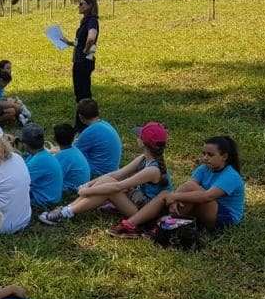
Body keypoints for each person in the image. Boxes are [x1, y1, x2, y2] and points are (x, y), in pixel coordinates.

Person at [109, 136, 244, 238]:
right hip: (202, 206)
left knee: (180, 191)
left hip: (223, 216)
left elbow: (207, 196)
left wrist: (174, 196)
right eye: (203, 154)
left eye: (210, 155)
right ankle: (130, 224)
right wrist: (173, 199)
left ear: (224, 156)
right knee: (165, 194)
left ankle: (163, 223)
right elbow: (189, 187)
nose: (205, 158)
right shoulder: (204, 168)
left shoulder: (230, 175)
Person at [39, 121, 172, 225]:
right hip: (137, 200)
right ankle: (66, 210)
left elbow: (118, 186)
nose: (137, 137)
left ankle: (66, 213)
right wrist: (88, 184)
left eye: (139, 136)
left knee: (110, 189)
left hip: (143, 212)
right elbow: (116, 174)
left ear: (143, 143)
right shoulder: (143, 159)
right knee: (107, 181)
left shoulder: (153, 170)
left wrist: (87, 191)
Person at [18, 123, 64, 211]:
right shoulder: (40, 154)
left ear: (25, 144)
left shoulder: (38, 161)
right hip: (49, 195)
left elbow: (20, 182)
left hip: (45, 200)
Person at [73, 98, 122, 178]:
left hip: (100, 173)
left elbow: (73, 152)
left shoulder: (90, 132)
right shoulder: (105, 124)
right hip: (113, 168)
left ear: (80, 117)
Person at [64, 0, 99, 104]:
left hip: (83, 61)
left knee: (83, 93)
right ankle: (84, 115)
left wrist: (85, 51)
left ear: (90, 6)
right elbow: (81, 41)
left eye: (81, 4)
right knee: (80, 92)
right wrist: (68, 42)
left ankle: (86, 115)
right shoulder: (85, 21)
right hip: (80, 61)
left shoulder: (92, 21)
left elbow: (91, 38)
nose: (79, 6)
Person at [51, 123, 91, 197]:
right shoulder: (74, 149)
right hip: (82, 184)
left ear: (55, 139)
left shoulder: (63, 157)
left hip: (72, 189)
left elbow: (54, 178)